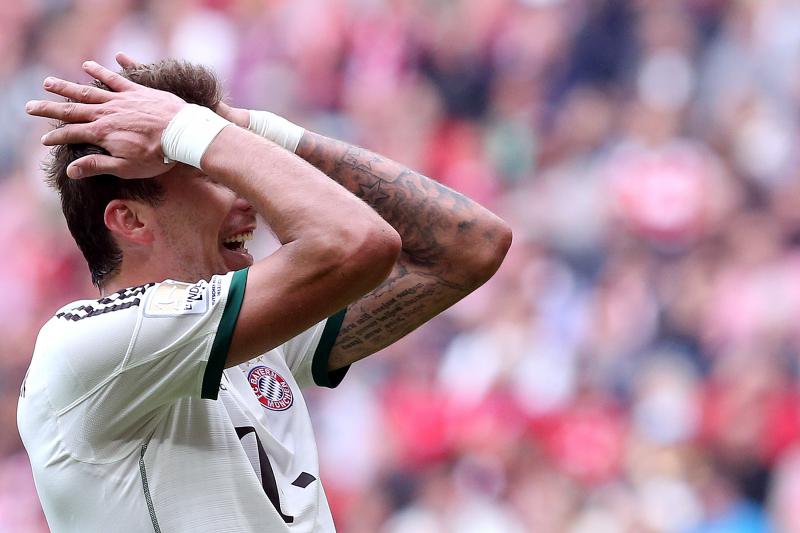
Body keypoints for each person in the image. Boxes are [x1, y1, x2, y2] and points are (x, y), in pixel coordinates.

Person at [17, 53, 512, 532]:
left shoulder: (249, 333)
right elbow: (359, 242)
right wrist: (190, 132)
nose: (251, 196)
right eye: (212, 174)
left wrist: (247, 128)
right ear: (130, 220)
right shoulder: (85, 344)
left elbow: (470, 244)